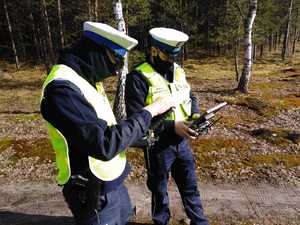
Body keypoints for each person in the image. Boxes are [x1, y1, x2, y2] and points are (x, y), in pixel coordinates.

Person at [40, 22, 175, 225]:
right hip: (91, 190)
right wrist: (150, 111)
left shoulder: (87, 79)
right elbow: (104, 143)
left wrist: (151, 123)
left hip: (111, 183)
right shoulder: (61, 89)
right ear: (94, 51)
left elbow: (108, 129)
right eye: (116, 61)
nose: (115, 71)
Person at [125, 27, 210, 225]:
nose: (172, 61)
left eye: (175, 56)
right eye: (168, 55)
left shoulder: (179, 71)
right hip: (158, 146)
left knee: (190, 188)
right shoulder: (137, 77)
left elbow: (190, 96)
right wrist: (172, 126)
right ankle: (161, 221)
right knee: (159, 191)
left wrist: (196, 116)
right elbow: (137, 118)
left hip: (183, 142)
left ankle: (200, 222)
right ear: (154, 50)